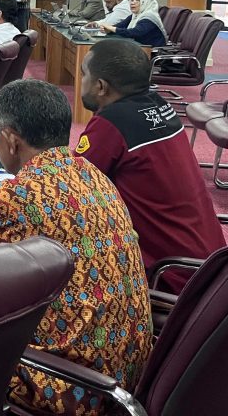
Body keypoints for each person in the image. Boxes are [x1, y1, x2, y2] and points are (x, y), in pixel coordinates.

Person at [0, 79, 152, 416]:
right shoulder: (92, 173)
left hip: (72, 387)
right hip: (129, 367)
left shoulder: (14, 196)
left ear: (12, 140)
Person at [77, 38, 225, 292]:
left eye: (84, 75)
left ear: (100, 86)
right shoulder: (161, 106)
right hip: (211, 265)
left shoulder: (112, 123)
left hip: (172, 278)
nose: (82, 82)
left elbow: (72, 186)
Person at [99, 0, 167, 46]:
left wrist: (112, 28)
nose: (132, 3)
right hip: (138, 47)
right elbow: (120, 26)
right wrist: (108, 29)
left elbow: (135, 32)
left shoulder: (149, 17)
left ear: (146, 2)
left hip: (150, 51)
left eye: (137, 0)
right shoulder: (134, 16)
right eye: (131, 0)